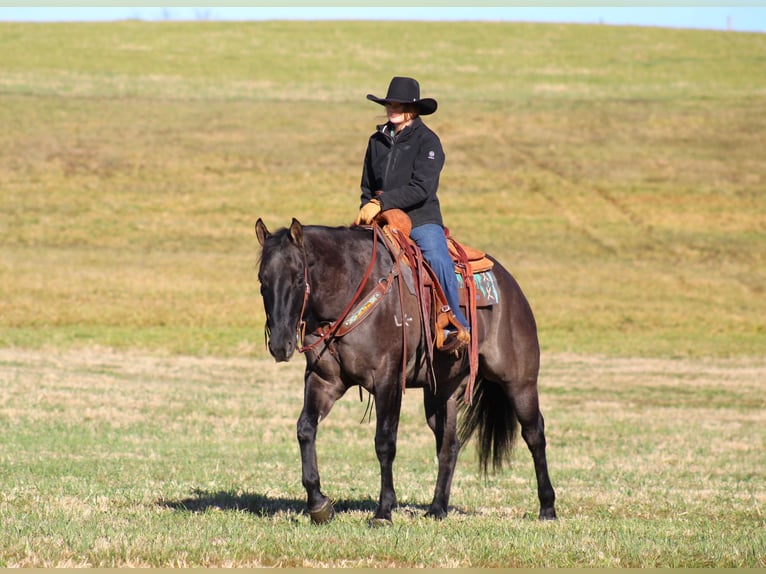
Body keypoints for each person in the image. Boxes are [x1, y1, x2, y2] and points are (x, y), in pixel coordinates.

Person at [354, 76, 470, 352]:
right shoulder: (376, 141)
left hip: (420, 218)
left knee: (437, 258)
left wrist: (383, 203)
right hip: (381, 219)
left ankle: (456, 323)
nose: (392, 108)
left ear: (413, 109)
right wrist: (367, 208)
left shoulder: (428, 142)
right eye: (389, 103)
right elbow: (367, 184)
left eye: (399, 104)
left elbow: (422, 188)